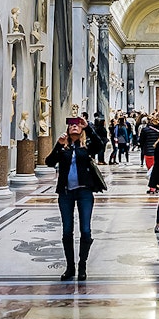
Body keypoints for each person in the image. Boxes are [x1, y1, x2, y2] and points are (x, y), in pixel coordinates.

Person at [45, 117, 106, 281]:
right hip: (66, 193)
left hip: (84, 192)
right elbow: (49, 162)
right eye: (71, 124)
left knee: (85, 229)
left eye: (77, 125)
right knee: (67, 230)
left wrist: (89, 128)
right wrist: (58, 144)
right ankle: (70, 267)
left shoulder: (86, 147)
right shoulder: (63, 147)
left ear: (81, 129)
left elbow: (101, 145)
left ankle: (82, 265)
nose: (74, 126)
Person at [138, 116, 159, 193]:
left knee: (150, 170)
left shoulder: (145, 130)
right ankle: (158, 185)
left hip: (149, 152)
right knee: (157, 170)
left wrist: (143, 148)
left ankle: (152, 187)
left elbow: (141, 141)